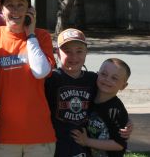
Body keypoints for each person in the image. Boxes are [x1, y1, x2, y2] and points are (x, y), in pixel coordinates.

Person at [0, 0, 56, 157]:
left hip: (39, 136)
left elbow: (41, 72)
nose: (15, 10)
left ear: (30, 10)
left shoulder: (41, 36)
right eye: (9, 5)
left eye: (20, 4)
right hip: (3, 135)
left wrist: (30, 35)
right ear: (1, 9)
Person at [45, 28, 133, 157]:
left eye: (79, 51)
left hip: (82, 145)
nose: (73, 56)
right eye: (67, 51)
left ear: (86, 52)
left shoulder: (93, 79)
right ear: (57, 53)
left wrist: (127, 122)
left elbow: (109, 99)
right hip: (57, 143)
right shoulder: (51, 79)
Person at [71, 58, 131, 157]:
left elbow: (119, 144)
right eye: (104, 74)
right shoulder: (87, 96)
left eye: (114, 78)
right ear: (97, 74)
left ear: (123, 86)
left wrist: (87, 141)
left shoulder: (117, 110)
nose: (107, 79)